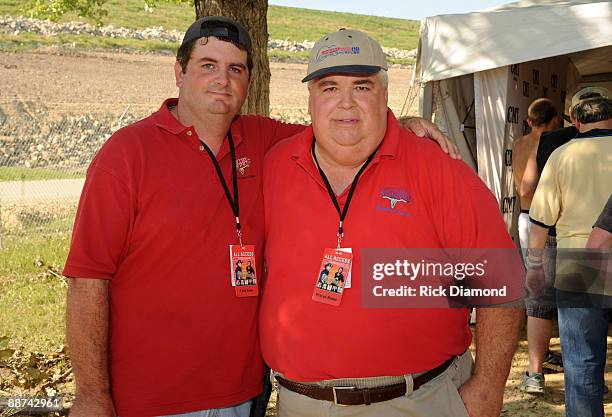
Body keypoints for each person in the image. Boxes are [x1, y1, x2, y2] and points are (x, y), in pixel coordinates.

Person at [62, 17, 457, 417]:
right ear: (179, 72)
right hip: (152, 398)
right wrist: (91, 394)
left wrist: (398, 125)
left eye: (236, 69)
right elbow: (87, 279)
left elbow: (343, 127)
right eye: (208, 65)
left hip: (245, 394)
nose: (223, 80)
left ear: (249, 79)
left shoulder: (263, 139)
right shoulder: (127, 154)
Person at [260, 29, 523, 417]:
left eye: (362, 87)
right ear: (311, 97)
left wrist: (487, 389)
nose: (346, 103)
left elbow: (500, 284)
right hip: (301, 404)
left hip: (418, 400)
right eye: (329, 87)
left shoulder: (438, 169)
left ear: (384, 94)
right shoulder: (276, 162)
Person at [527, 94, 612, 417]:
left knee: (581, 361)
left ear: (575, 122)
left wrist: (535, 266)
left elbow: (540, 221)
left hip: (578, 261)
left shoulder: (562, 155)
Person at [511, 98, 561, 393]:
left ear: (529, 120)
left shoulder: (520, 144)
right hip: (541, 222)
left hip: (526, 218)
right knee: (542, 297)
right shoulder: (550, 146)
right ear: (555, 120)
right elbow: (527, 187)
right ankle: (536, 369)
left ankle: (539, 362)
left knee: (539, 293)